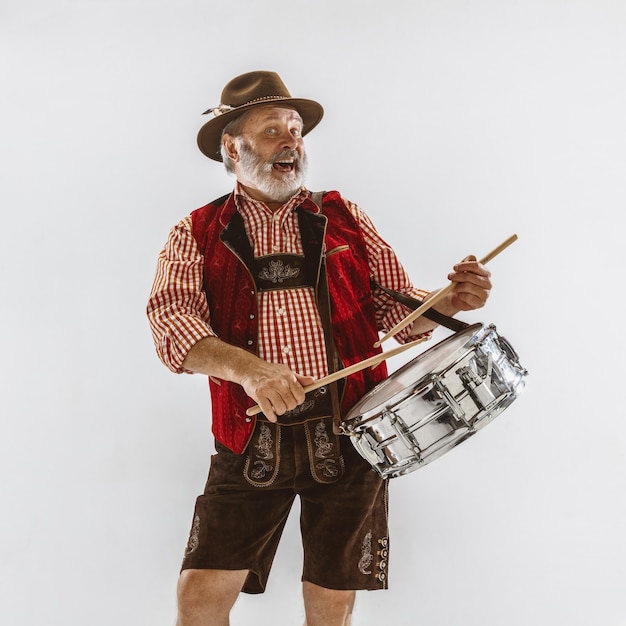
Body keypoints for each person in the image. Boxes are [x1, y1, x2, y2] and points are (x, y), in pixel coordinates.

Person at [147, 70, 492, 626]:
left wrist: (447, 302)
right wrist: (251, 371)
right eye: (272, 131)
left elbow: (393, 309)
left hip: (351, 434)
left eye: (296, 129)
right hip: (250, 438)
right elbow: (172, 324)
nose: (291, 142)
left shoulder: (343, 217)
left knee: (331, 602)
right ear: (232, 148)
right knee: (201, 593)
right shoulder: (196, 232)